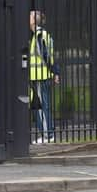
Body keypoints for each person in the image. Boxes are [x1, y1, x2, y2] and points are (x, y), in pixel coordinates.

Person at [29, 10, 59, 144]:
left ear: (35, 20)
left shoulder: (40, 35)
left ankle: (48, 135)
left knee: (42, 106)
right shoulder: (37, 35)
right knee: (39, 106)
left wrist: (55, 72)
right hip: (37, 77)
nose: (28, 18)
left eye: (30, 16)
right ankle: (46, 134)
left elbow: (47, 56)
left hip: (41, 76)